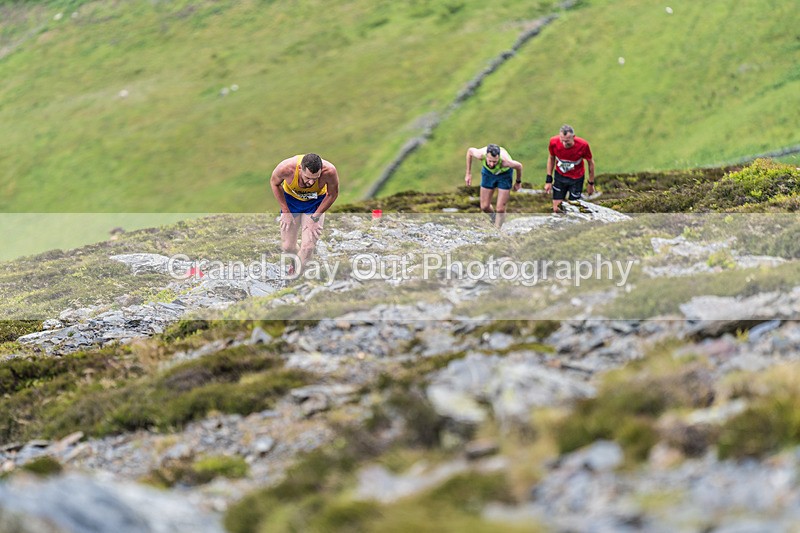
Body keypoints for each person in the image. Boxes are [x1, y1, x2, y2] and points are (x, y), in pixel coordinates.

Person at [270, 153, 339, 274]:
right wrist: (285, 211)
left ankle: (297, 276)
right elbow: (274, 183)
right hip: (291, 202)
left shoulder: (329, 171)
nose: (311, 182)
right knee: (288, 247)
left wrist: (315, 218)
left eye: (315, 178)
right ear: (300, 169)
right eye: (307, 177)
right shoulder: (286, 168)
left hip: (315, 203)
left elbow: (332, 194)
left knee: (308, 248)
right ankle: (297, 261)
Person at [465, 144, 523, 228]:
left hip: (504, 175)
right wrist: (468, 173)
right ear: (486, 157)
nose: (492, 164)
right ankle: (493, 217)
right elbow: (470, 151)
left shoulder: (505, 161)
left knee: (500, 209)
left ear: (498, 158)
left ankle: (497, 229)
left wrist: (518, 182)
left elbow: (519, 166)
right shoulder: (480, 155)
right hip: (488, 173)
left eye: (495, 162)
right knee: (484, 206)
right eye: (490, 161)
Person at [544, 125, 595, 216]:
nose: (564, 143)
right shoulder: (553, 142)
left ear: (573, 137)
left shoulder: (583, 145)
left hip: (576, 179)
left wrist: (590, 183)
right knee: (556, 209)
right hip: (560, 177)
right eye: (562, 140)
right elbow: (551, 158)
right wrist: (548, 180)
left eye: (567, 141)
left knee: (573, 209)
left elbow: (590, 163)